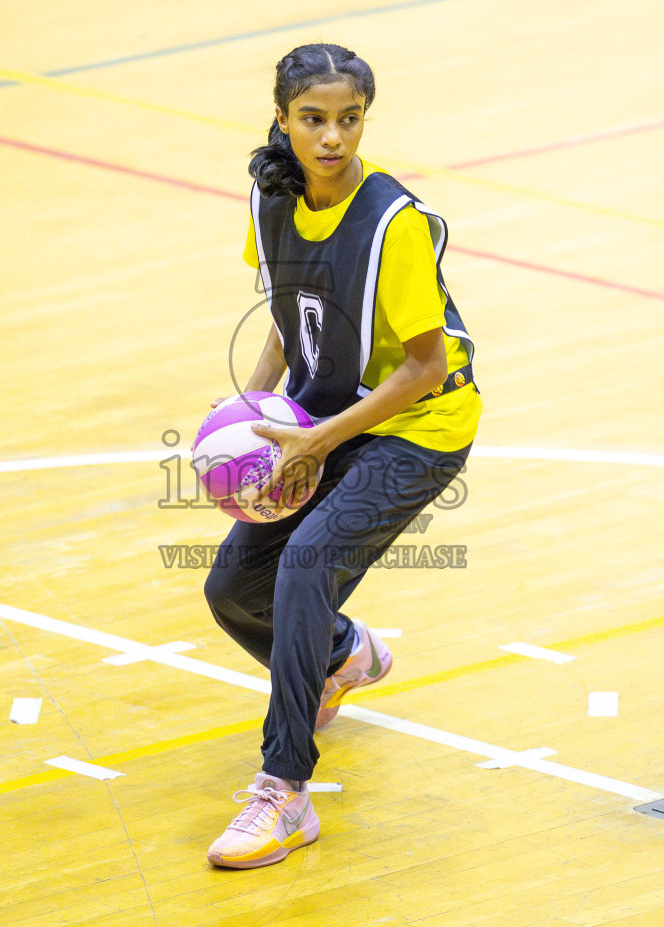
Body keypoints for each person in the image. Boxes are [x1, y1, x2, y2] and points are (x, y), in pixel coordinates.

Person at [202, 43, 481, 869]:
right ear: (283, 119)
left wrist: (318, 439)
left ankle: (284, 793)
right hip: (326, 414)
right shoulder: (271, 193)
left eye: (348, 120)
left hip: (416, 427)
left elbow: (427, 367)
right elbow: (292, 320)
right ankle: (343, 656)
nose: (332, 138)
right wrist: (253, 417)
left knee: (306, 566)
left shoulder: (392, 222)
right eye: (313, 120)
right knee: (232, 589)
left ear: (365, 119)